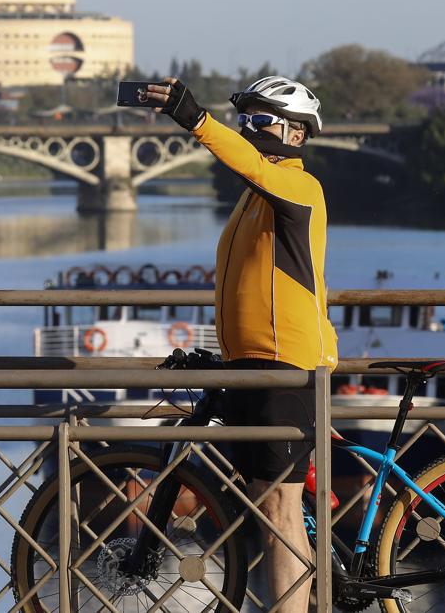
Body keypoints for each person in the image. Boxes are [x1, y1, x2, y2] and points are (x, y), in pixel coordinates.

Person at [145, 76, 338, 613]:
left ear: (294, 135)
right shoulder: (254, 200)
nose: (248, 132)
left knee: (279, 508)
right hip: (252, 366)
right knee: (272, 506)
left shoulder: (300, 187)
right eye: (243, 122)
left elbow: (249, 163)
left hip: (287, 367)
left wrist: (196, 120)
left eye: (259, 121)